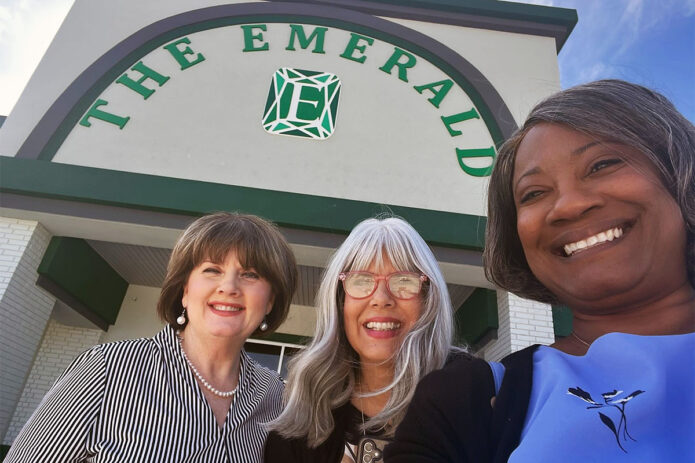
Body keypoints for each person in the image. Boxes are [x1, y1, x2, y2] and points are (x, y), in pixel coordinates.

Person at [385, 80, 695, 462]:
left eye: (602, 165)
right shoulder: (464, 404)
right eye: (533, 194)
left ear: (680, 172)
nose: (567, 206)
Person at [6, 212, 298, 462]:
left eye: (250, 274)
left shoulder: (274, 396)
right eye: (212, 269)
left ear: (271, 300)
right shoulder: (108, 368)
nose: (229, 286)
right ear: (185, 290)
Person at [264, 216, 460, 462]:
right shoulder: (304, 418)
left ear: (428, 298)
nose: (381, 298)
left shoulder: (471, 396)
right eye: (362, 281)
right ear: (339, 301)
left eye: (403, 281)